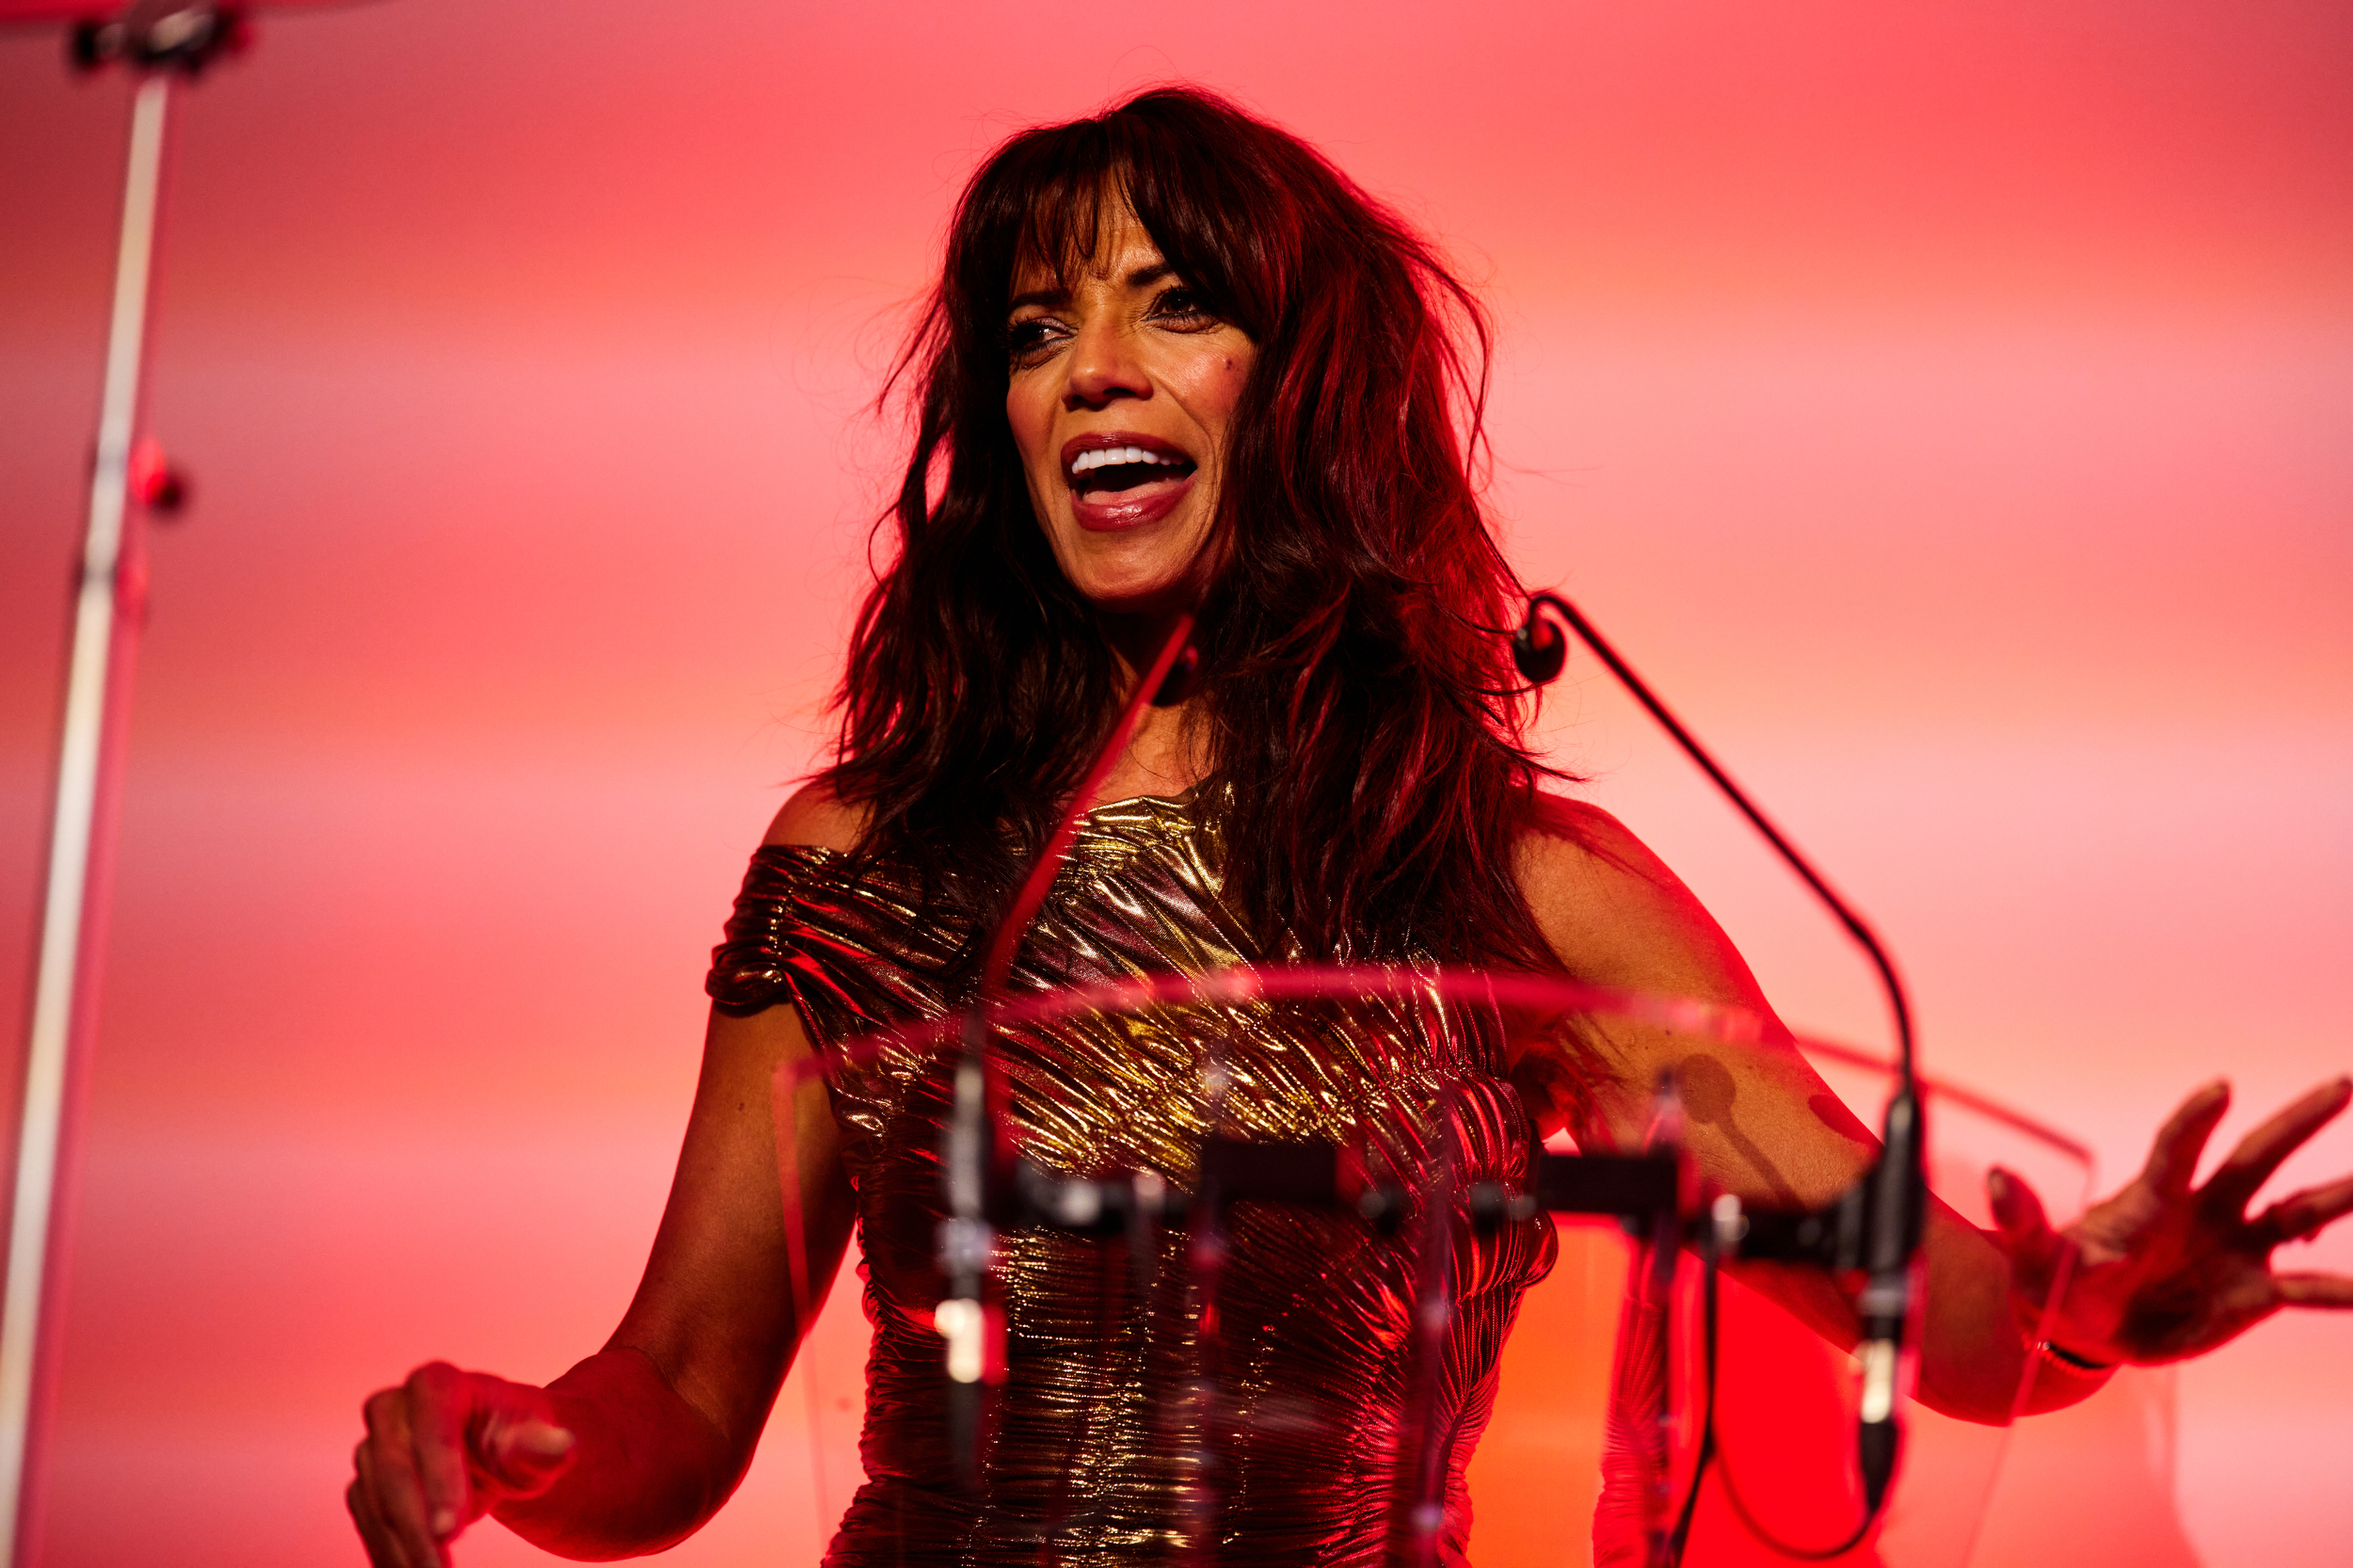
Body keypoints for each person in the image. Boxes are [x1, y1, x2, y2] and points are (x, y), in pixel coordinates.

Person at [345, 87, 2353, 1568]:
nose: (1089, 370)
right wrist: (515, 1427)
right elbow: (683, 1395)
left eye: (1167, 306)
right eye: (1035, 329)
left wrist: (2093, 1301)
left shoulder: (1508, 886)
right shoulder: (855, 859)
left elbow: (1940, 1318)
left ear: (1303, 388)